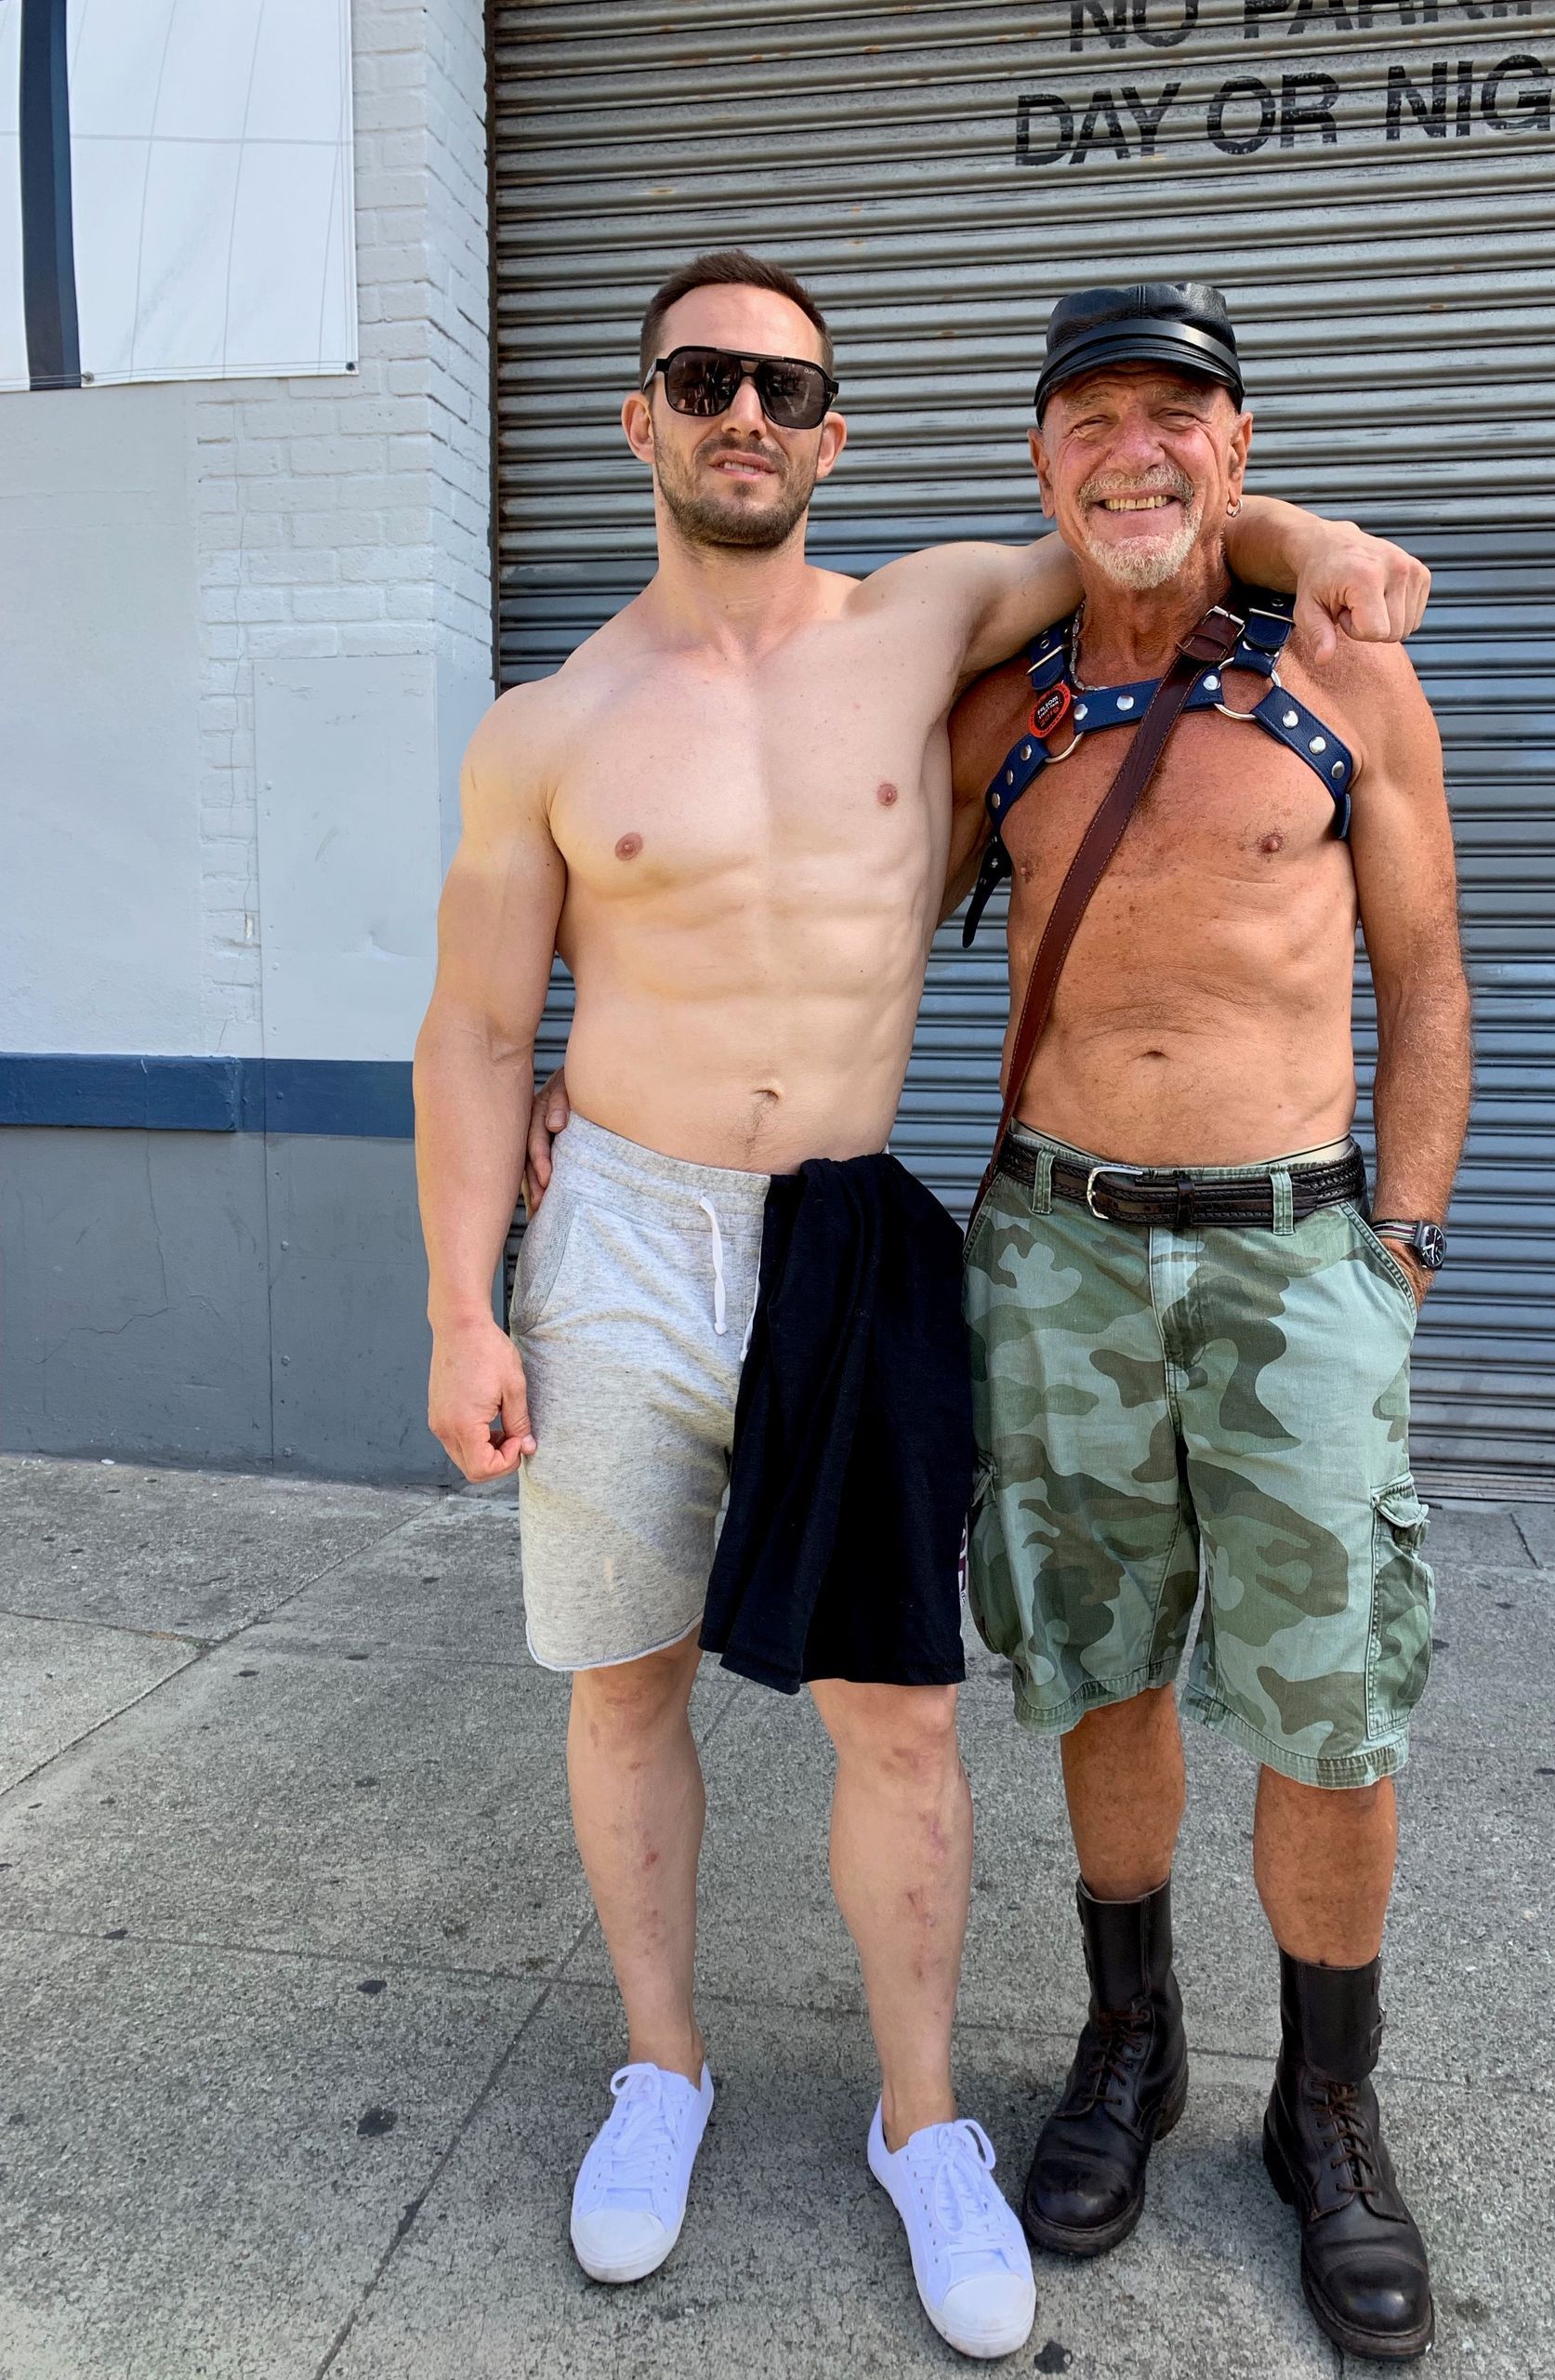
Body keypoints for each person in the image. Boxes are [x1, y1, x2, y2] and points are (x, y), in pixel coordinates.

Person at [428, 247, 1428, 2361]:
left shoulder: (927, 630)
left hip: (858, 1235)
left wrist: (1316, 533)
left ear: (836, 434)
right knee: (626, 1678)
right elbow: (467, 1024)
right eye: (702, 379)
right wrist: (462, 1297)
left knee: (907, 1699)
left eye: (787, 388)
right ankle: (662, 2068)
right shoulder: (545, 724)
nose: (746, 417)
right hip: (621, 1224)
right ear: (641, 416)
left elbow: (1152, 506)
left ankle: (923, 2120)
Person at [943, 283, 1470, 2360]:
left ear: (1238, 454)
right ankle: (1128, 2045)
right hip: (1058, 1256)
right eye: (1095, 417)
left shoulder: (1344, 673)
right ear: (1045, 456)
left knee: (1331, 1705)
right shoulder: (1013, 706)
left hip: (1292, 1262)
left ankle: (1325, 2106)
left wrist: (1395, 1251)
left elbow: (1427, 979)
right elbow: (825, 919)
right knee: (1096, 1667)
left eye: (1182, 418)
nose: (1137, 450)